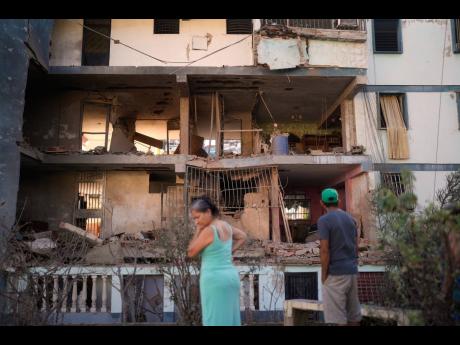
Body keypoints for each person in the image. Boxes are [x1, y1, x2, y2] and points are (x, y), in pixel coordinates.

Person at [187, 196, 247, 326]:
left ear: (208, 212)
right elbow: (243, 236)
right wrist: (230, 251)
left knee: (214, 319)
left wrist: (198, 231)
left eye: (197, 217)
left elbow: (191, 252)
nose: (196, 222)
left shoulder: (209, 230)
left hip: (214, 280)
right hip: (231, 278)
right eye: (194, 219)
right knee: (230, 320)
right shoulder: (226, 226)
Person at [318, 188, 361, 326]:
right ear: (339, 201)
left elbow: (325, 250)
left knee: (338, 319)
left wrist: (324, 275)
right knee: (353, 316)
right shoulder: (351, 219)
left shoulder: (324, 220)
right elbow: (356, 247)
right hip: (352, 272)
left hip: (336, 274)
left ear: (322, 203)